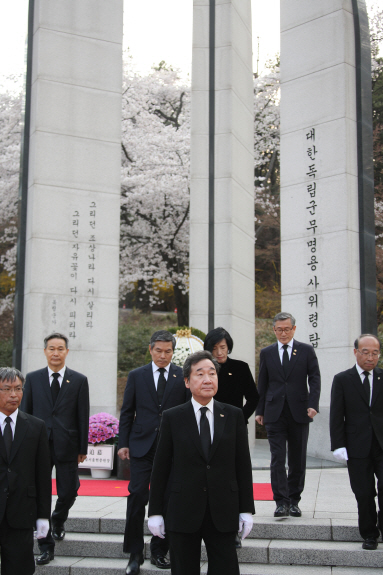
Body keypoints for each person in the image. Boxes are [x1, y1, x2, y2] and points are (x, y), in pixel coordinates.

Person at [148, 350, 254, 575]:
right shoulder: (173, 417)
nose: (208, 379)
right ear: (187, 381)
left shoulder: (234, 415)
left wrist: (246, 510)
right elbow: (161, 468)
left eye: (212, 373)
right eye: (200, 374)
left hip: (223, 510)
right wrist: (155, 511)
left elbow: (243, 465)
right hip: (183, 510)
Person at [118, 330, 190, 575]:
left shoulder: (182, 375)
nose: (163, 355)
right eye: (158, 351)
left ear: (173, 351)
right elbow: (127, 411)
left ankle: (160, 551)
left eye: (168, 351)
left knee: (168, 500)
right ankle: (134, 554)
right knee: (137, 496)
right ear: (150, 349)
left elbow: (188, 412)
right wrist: (123, 443)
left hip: (172, 448)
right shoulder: (137, 375)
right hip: (141, 446)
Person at [21, 332, 90, 566]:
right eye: (51, 348)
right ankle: (45, 545)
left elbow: (83, 415)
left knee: (69, 490)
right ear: (45, 351)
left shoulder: (79, 380)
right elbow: (26, 413)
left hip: (67, 444)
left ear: (67, 352)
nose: (56, 353)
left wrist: (83, 446)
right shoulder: (33, 378)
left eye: (60, 348)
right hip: (38, 444)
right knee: (40, 494)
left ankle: (58, 519)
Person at [255, 312, 321, 518]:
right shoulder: (267, 353)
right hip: (274, 412)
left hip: (299, 411)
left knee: (297, 459)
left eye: (287, 329)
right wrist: (260, 410)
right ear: (274, 330)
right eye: (279, 329)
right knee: (277, 459)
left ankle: (294, 501)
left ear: (294, 329)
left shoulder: (306, 351)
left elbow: (315, 378)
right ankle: (280, 502)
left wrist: (313, 404)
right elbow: (262, 383)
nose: (283, 333)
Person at [204, 326, 258, 548]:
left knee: (235, 477)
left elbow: (254, 398)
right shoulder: (205, 369)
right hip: (207, 430)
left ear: (229, 347)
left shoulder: (240, 368)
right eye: (215, 348)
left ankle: (235, 528)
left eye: (223, 347)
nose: (219, 352)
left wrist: (240, 419)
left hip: (233, 431)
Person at [330, 334, 383, 550]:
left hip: (381, 444)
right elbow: (336, 414)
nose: (371, 357)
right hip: (356, 446)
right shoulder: (343, 379)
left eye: (375, 353)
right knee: (364, 492)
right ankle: (369, 534)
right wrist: (338, 444)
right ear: (356, 352)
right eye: (366, 352)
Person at [0, 367, 51, 575]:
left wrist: (43, 516)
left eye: (18, 388)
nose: (14, 394)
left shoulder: (36, 427)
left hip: (21, 513)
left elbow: (42, 475)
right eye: (7, 389)